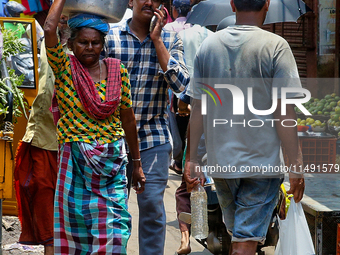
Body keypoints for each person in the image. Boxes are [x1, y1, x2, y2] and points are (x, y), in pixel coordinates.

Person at [184, 0, 305, 254]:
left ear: (232, 4)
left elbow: (197, 109)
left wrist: (192, 158)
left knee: (239, 236)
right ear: (267, 4)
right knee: (244, 242)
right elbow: (285, 112)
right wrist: (296, 166)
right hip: (261, 165)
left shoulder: (209, 46)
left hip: (221, 164)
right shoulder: (275, 46)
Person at [43, 0, 146, 253]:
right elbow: (48, 28)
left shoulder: (117, 71)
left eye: (96, 42)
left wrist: (137, 163)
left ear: (103, 44)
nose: (90, 47)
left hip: (112, 165)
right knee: (76, 234)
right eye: (82, 42)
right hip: (75, 164)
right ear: (70, 43)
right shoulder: (65, 68)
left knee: (115, 232)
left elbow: (128, 118)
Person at [104, 0, 190, 254]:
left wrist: (157, 40)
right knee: (112, 210)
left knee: (152, 208)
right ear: (131, 1)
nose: (149, 2)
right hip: (112, 138)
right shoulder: (110, 36)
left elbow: (182, 86)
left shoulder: (171, 39)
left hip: (153, 137)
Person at [14, 15, 71, 255]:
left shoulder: (86, 45)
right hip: (42, 138)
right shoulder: (48, 40)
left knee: (70, 221)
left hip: (73, 145)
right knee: (47, 219)